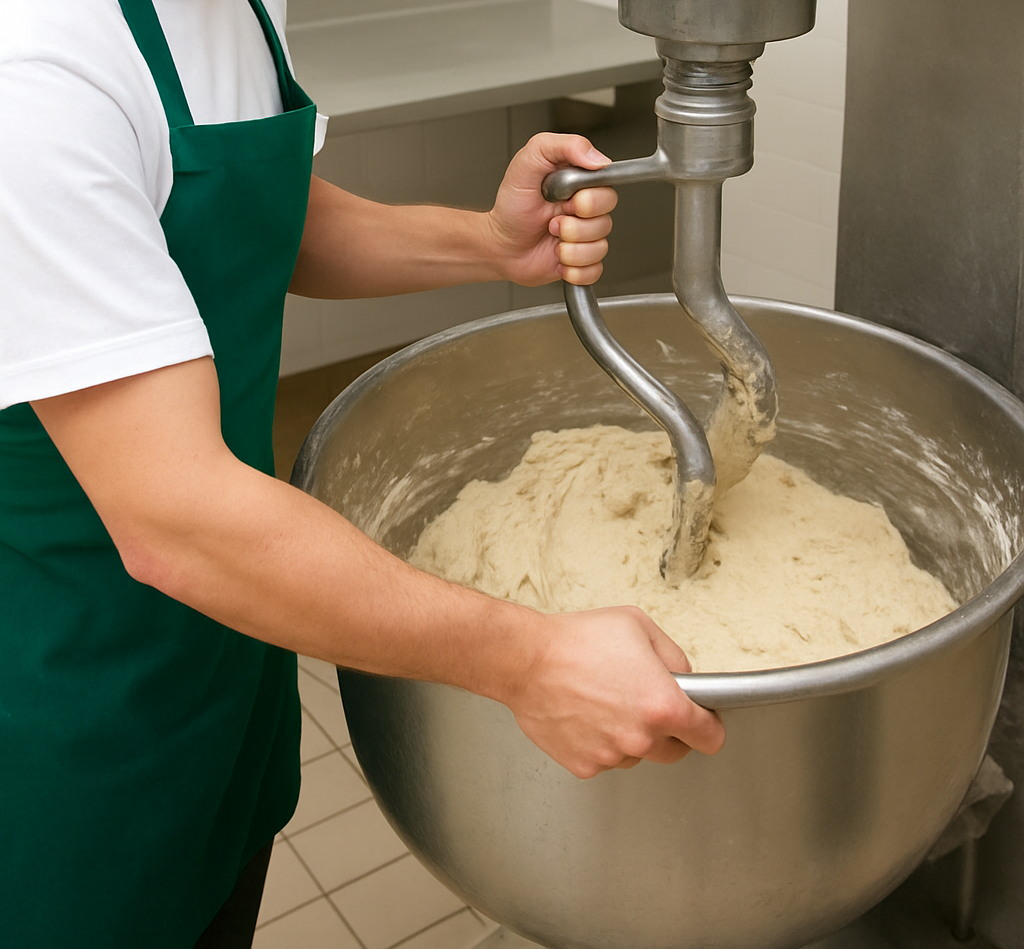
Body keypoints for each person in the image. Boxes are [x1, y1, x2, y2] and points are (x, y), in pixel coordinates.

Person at [0, 0, 725, 945]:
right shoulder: (36, 73)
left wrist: (487, 244)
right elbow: (173, 519)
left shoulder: (231, 10)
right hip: (62, 715)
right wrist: (533, 661)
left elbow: (253, 219)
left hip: (217, 665)